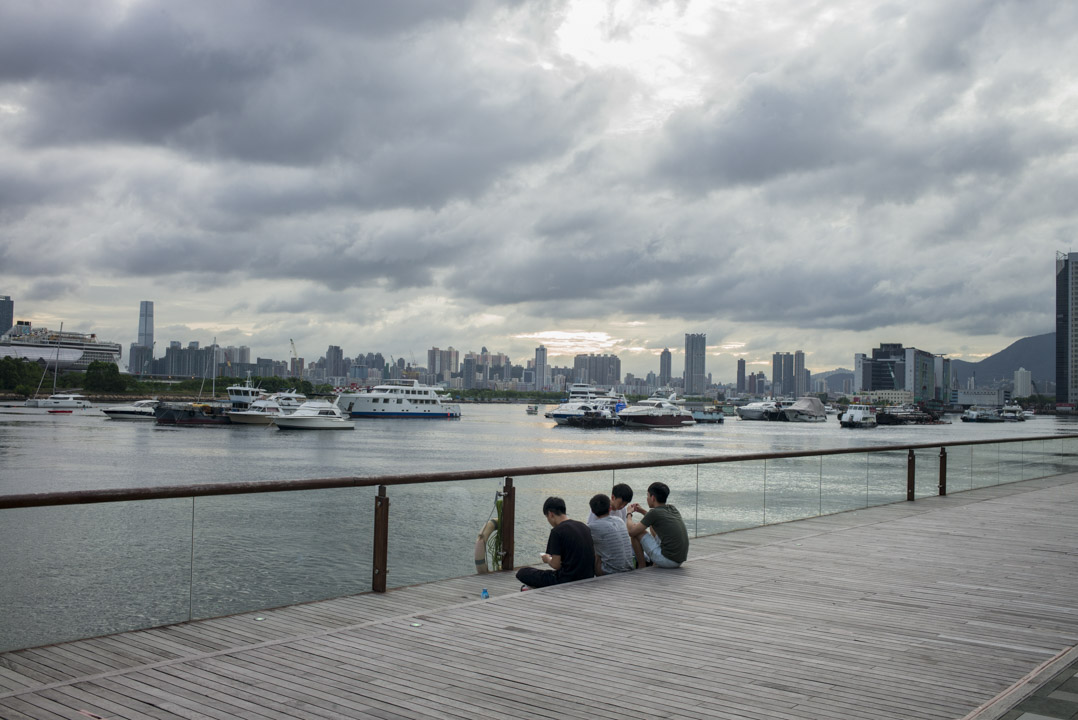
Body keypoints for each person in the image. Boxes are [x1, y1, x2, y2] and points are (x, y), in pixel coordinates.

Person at [516, 496, 596, 589]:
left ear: (550, 514)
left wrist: (547, 559)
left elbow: (556, 565)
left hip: (566, 579)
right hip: (587, 576)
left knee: (523, 573)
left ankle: (531, 588)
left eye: (547, 517)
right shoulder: (583, 526)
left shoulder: (557, 531)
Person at [626, 481, 689, 568]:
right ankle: (654, 562)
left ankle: (641, 566)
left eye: (647, 496)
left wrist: (629, 514)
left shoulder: (654, 513)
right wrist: (641, 510)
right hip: (679, 560)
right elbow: (655, 518)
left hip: (668, 561)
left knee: (637, 533)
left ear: (652, 498)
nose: (647, 498)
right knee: (652, 525)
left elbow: (631, 532)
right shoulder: (672, 508)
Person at [586, 483, 646, 569]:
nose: (622, 506)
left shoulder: (622, 510)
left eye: (625, 505)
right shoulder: (599, 508)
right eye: (621, 503)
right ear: (613, 497)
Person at [586, 493, 635, 575]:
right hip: (629, 567)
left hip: (609, 572)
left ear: (593, 511)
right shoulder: (620, 521)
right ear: (609, 508)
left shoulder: (591, 527)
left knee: (593, 548)